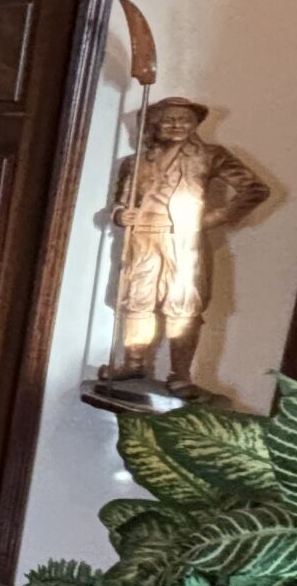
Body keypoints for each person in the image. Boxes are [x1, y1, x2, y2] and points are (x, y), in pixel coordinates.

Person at [103, 96, 269, 396]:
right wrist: (119, 214)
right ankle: (134, 362)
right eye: (168, 120)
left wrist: (210, 219)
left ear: (194, 125)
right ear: (154, 125)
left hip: (183, 240)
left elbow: (255, 189)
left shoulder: (210, 155)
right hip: (143, 237)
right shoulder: (135, 162)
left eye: (184, 120)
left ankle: (180, 375)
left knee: (183, 305)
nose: (177, 125)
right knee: (137, 301)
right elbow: (120, 200)